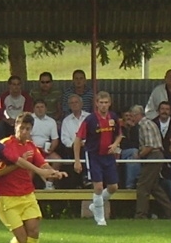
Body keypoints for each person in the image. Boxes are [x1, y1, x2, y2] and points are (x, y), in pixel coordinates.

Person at [0, 113, 63, 243]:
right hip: (7, 198)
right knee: (22, 240)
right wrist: (18, 164)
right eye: (21, 127)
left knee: (34, 232)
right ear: (15, 126)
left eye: (27, 129)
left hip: (27, 194)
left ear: (31, 130)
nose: (24, 131)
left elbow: (42, 163)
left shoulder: (31, 147)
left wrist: (54, 172)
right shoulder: (4, 146)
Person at [74, 91, 123, 226]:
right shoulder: (90, 120)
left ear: (110, 103)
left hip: (108, 156)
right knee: (99, 186)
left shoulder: (113, 117)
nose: (103, 105)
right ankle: (100, 219)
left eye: (106, 102)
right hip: (94, 155)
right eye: (101, 103)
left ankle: (95, 205)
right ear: (96, 104)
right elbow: (78, 139)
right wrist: (77, 160)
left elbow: (119, 135)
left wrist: (115, 144)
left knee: (113, 187)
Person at [134, 108, 171, 220]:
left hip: (153, 155)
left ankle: (141, 215)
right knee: (153, 187)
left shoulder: (144, 125)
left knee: (142, 185)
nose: (132, 118)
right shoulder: (150, 123)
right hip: (157, 155)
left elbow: (150, 146)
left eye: (133, 115)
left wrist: (139, 155)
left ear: (138, 115)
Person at [59, 94, 89, 189]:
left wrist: (85, 142)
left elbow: (94, 133)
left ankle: (86, 178)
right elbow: (64, 138)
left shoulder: (89, 117)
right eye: (71, 103)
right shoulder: (66, 121)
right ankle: (78, 182)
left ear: (81, 103)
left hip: (88, 146)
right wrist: (74, 144)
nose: (74, 104)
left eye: (76, 102)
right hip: (71, 149)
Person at [29, 99, 60, 189]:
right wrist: (34, 149)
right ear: (33, 109)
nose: (40, 109)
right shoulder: (29, 119)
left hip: (45, 149)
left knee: (57, 159)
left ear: (46, 109)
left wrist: (51, 149)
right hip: (31, 149)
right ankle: (27, 185)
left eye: (42, 107)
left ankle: (49, 184)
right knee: (30, 163)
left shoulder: (51, 121)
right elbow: (27, 136)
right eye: (37, 107)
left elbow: (55, 139)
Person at [118, 106, 143, 189]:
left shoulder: (136, 129)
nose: (128, 117)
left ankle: (130, 185)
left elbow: (137, 143)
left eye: (130, 116)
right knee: (134, 152)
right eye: (126, 116)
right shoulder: (119, 129)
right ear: (122, 118)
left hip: (132, 154)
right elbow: (123, 145)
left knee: (131, 160)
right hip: (120, 152)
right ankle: (136, 180)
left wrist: (133, 128)